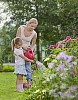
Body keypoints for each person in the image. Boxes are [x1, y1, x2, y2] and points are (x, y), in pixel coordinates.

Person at [16, 18, 38, 88]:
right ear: (28, 23)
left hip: (27, 52)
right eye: (31, 26)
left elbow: (33, 44)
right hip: (19, 50)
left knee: (28, 67)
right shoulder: (21, 28)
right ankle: (19, 84)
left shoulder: (34, 33)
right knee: (20, 66)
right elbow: (16, 40)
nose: (33, 28)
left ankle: (29, 83)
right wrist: (22, 48)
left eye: (34, 27)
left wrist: (30, 51)